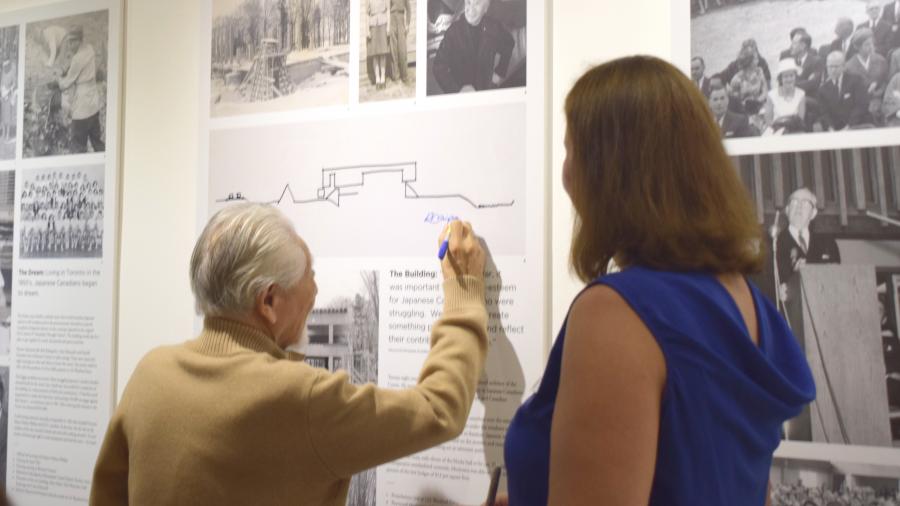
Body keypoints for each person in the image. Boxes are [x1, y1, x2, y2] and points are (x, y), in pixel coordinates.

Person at [500, 56, 815, 505]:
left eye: (571, 150)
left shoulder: (616, 314)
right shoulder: (745, 299)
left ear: (611, 170)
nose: (566, 174)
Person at [90, 204, 489, 505]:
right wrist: (464, 293)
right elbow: (440, 409)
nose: (315, 289)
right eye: (309, 275)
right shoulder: (300, 397)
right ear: (268, 300)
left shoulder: (150, 373)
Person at [431, 0, 514, 93]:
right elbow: (438, 66)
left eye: (477, 4)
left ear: (485, 8)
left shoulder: (494, 27)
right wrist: (456, 90)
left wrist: (500, 72)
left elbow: (509, 43)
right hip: (462, 93)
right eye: (468, 2)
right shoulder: (453, 32)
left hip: (486, 88)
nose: (471, 9)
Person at [775, 187, 841, 303]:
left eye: (805, 203)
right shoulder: (773, 244)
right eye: (794, 202)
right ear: (787, 210)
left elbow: (837, 281)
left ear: (813, 213)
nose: (799, 206)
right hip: (789, 314)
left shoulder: (828, 243)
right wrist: (779, 291)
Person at [56, 26, 104, 154]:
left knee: (77, 145)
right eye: (69, 41)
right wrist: (67, 68)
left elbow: (66, 84)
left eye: (73, 41)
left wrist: (59, 79)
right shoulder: (89, 49)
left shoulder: (77, 59)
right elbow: (78, 65)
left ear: (79, 40)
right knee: (97, 142)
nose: (70, 44)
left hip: (82, 108)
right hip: (93, 103)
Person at [844, 28, 888, 124]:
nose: (871, 47)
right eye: (867, 45)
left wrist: (877, 89)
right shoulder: (849, 66)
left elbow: (886, 81)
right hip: (859, 103)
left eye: (872, 44)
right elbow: (849, 90)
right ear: (857, 47)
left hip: (880, 98)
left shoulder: (881, 60)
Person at [818, 51, 871, 130]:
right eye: (830, 67)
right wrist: (830, 128)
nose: (833, 70)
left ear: (843, 66)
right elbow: (824, 113)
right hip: (835, 129)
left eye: (836, 67)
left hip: (857, 125)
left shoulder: (856, 80)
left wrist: (849, 126)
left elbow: (862, 105)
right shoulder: (823, 89)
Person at [764, 59, 806, 134]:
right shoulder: (771, 95)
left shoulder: (801, 94)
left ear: (795, 76)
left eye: (791, 75)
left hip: (795, 132)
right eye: (786, 76)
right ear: (780, 79)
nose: (789, 79)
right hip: (775, 132)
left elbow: (800, 120)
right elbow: (768, 121)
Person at [367, 0, 390, 91]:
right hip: (373, 25)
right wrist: (367, 30)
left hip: (383, 24)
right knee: (375, 54)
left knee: (383, 52)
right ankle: (377, 78)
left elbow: (387, 11)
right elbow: (367, 14)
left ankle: (383, 78)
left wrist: (388, 27)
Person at [389, 0, 411, 84]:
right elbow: (387, 8)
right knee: (393, 48)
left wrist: (407, 24)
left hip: (401, 18)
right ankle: (396, 76)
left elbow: (408, 9)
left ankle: (404, 75)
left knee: (402, 49)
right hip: (392, 18)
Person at [0, 60, 15, 141]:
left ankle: (8, 134)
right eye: (3, 66)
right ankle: (3, 132)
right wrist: (2, 94)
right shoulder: (3, 73)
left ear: (8, 65)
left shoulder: (11, 74)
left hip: (8, 97)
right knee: (3, 117)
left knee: (8, 117)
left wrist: (8, 91)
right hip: (3, 97)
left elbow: (13, 85)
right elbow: (1, 84)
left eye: (6, 66)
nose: (4, 68)